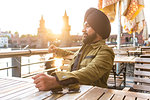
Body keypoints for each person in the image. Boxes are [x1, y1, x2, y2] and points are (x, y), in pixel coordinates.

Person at [32, 8, 115, 91]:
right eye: (84, 26)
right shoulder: (85, 49)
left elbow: (91, 72)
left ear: (98, 30)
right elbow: (73, 55)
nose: (83, 30)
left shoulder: (105, 52)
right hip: (74, 91)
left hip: (92, 94)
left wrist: (57, 81)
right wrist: (57, 51)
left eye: (88, 26)